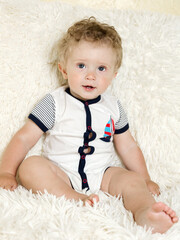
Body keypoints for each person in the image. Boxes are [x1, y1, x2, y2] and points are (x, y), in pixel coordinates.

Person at [0, 17, 178, 234]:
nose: (91, 75)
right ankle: (73, 197)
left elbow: (128, 146)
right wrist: (7, 172)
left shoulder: (114, 107)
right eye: (81, 65)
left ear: (113, 76)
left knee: (132, 180)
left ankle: (145, 212)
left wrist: (146, 178)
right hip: (60, 172)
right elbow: (24, 138)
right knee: (30, 166)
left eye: (101, 68)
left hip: (102, 174)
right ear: (64, 70)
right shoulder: (55, 102)